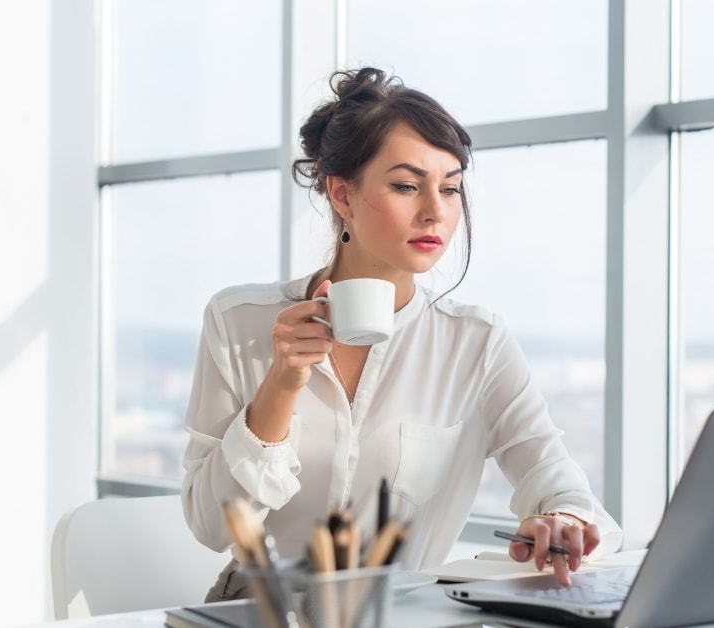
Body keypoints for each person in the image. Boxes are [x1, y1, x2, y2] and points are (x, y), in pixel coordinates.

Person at [181, 67, 622, 602]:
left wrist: (562, 519)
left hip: (403, 615)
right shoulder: (239, 322)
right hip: (258, 613)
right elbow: (210, 526)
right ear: (342, 195)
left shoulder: (475, 343)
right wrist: (281, 384)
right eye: (406, 185)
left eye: (452, 187)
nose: (436, 210)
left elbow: (556, 476)